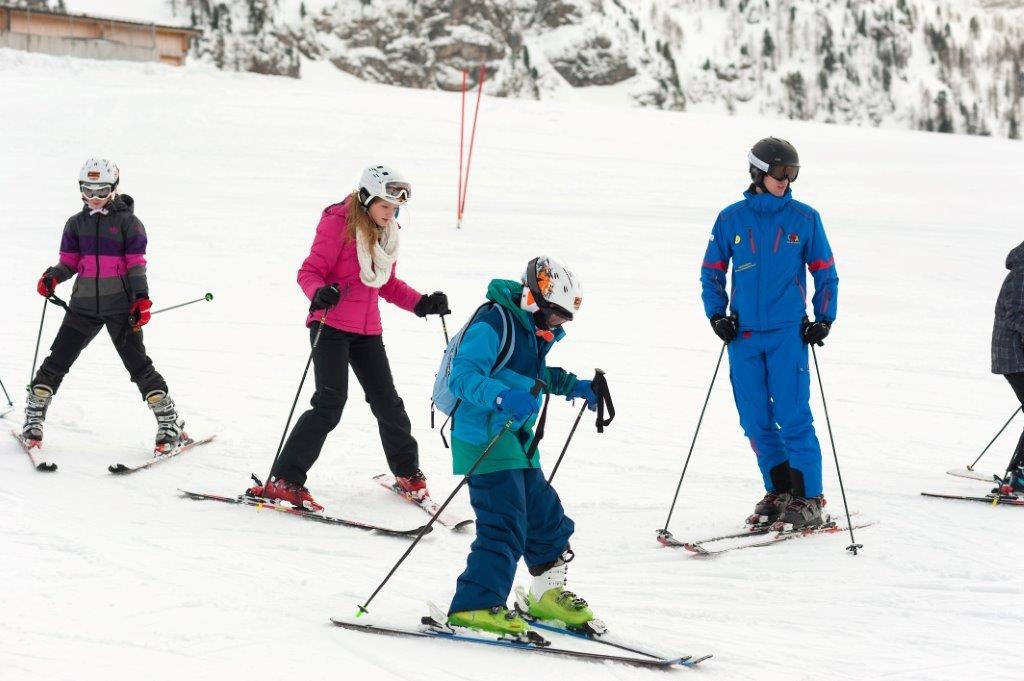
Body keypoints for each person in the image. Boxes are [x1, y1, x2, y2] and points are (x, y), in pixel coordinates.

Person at [247, 165, 449, 512]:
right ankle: (285, 479)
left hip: (367, 330)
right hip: (330, 323)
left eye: (396, 208)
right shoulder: (337, 223)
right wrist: (319, 292)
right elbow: (308, 271)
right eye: (386, 206)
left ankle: (406, 473)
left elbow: (384, 283)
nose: (392, 214)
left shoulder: (388, 232)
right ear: (366, 198)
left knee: (388, 402)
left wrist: (421, 304)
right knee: (329, 402)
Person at [444, 256, 599, 636]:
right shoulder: (493, 321)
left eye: (564, 318)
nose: (558, 324)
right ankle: (475, 605)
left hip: (515, 438)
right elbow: (461, 377)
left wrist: (574, 386)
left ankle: (545, 595)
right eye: (555, 315)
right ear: (533, 299)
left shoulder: (529, 328)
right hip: (483, 437)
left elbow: (533, 375)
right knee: (504, 522)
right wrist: (500, 398)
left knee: (545, 516)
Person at [700, 137, 839, 529]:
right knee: (755, 418)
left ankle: (809, 496)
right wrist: (717, 316)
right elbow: (712, 271)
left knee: (793, 415)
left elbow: (824, 270)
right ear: (758, 173)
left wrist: (823, 317)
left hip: (786, 335)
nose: (787, 180)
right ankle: (780, 489)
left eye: (792, 173)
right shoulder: (730, 219)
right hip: (743, 336)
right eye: (780, 172)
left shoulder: (804, 218)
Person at [24, 158, 187, 453]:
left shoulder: (129, 223)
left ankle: (169, 421)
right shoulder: (75, 223)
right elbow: (70, 262)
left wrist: (141, 299)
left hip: (120, 308)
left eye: (101, 190)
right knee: (57, 360)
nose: (94, 197)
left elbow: (136, 265)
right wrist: (53, 276)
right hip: (82, 306)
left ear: (113, 188)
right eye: (88, 190)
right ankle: (33, 418)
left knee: (138, 365)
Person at [990, 241, 1024, 496]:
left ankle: (1018, 472)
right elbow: (1015, 315)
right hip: (1013, 355)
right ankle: (1018, 475)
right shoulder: (1022, 271)